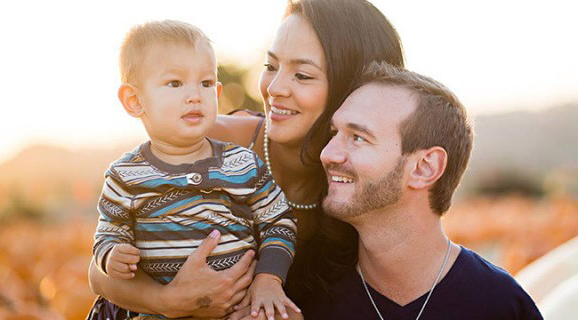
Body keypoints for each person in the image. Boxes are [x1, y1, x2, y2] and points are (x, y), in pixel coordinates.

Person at [88, 0, 405, 319]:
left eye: (303, 76)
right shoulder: (207, 142)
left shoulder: (367, 187)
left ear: (354, 91)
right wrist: (170, 301)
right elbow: (99, 272)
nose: (276, 87)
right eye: (270, 67)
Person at [88, 20, 299, 320]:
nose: (195, 95)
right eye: (175, 83)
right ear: (135, 101)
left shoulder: (242, 164)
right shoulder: (126, 176)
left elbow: (279, 221)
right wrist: (111, 255)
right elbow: (109, 231)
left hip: (240, 308)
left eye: (206, 83)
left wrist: (268, 278)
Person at [306, 61, 543, 319]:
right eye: (334, 133)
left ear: (424, 168)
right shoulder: (305, 299)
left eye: (358, 137)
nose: (327, 154)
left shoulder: (501, 306)